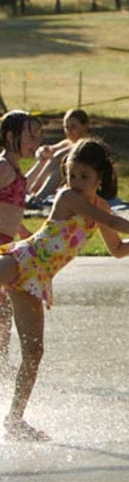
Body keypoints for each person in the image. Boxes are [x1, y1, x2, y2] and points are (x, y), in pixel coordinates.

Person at [1, 138, 129, 441]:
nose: (76, 182)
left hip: (37, 280)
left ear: (100, 178)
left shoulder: (99, 205)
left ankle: (14, 419)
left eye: (84, 177)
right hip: (22, 260)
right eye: (72, 174)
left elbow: (117, 249)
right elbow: (111, 219)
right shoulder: (68, 197)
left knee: (34, 353)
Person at [0, 111, 42, 365]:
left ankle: (2, 359)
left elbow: (9, 207)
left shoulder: (13, 168)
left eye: (37, 136)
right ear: (10, 135)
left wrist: (22, 231)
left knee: (4, 309)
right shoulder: (4, 167)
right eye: (31, 135)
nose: (35, 141)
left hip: (6, 243)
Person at [25, 108, 91, 207]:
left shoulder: (87, 144)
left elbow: (59, 155)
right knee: (46, 157)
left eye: (73, 127)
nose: (69, 131)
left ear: (85, 126)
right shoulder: (68, 142)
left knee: (60, 166)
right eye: (66, 127)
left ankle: (37, 196)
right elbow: (49, 150)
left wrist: (39, 181)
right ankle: (21, 187)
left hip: (84, 183)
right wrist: (43, 152)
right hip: (64, 182)